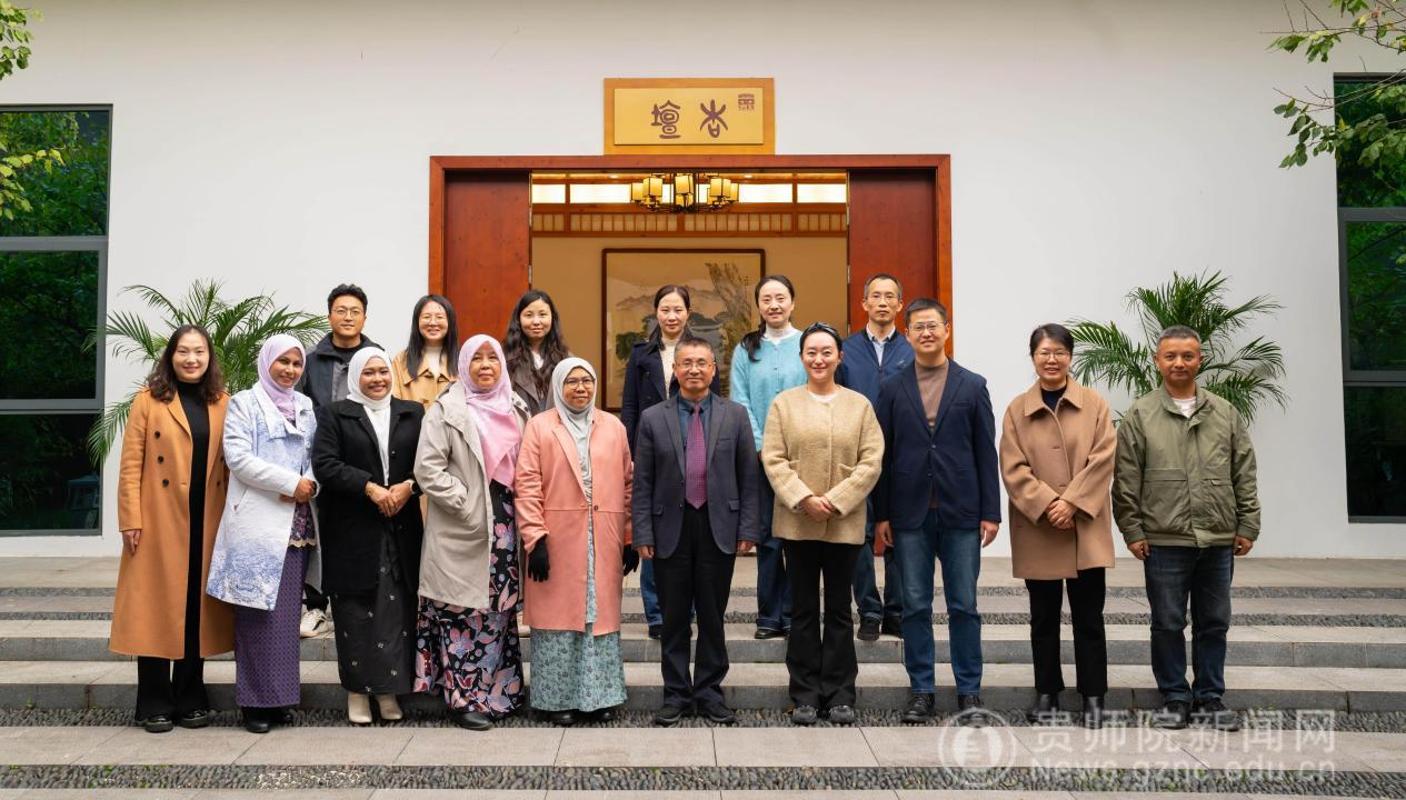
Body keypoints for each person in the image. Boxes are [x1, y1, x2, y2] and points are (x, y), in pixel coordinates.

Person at [1113, 325, 1260, 732]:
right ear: (1158, 361)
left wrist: (1248, 523)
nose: (1179, 363)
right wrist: (1133, 530)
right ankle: (1175, 696)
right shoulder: (1141, 414)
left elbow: (1244, 471)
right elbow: (1125, 479)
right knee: (1167, 622)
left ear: (1200, 360)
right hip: (1163, 539)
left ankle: (1210, 697)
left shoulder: (1224, 413)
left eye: (1188, 356)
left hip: (1217, 537)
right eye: (1171, 356)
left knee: (1214, 621)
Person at [873, 299, 1001, 727]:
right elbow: (884, 454)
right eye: (918, 327)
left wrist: (990, 511)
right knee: (914, 605)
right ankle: (922, 690)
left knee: (964, 605)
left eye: (933, 325)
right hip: (909, 513)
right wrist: (882, 514)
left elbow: (985, 452)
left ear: (947, 329)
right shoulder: (893, 387)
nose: (926, 333)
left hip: (961, 511)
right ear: (907, 334)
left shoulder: (973, 385)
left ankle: (969, 690)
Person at [631, 335, 761, 726]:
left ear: (713, 368)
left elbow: (749, 478)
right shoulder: (653, 418)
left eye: (701, 363)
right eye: (686, 363)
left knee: (712, 616)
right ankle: (675, 694)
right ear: (675, 369)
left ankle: (709, 692)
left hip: (718, 525)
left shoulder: (735, 415)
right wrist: (642, 533)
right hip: (669, 527)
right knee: (672, 619)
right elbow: (643, 482)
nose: (693, 370)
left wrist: (748, 527)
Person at [112, 325, 234, 734]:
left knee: (196, 610)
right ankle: (153, 702)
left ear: (209, 357)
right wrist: (130, 518)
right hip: (158, 519)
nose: (191, 359)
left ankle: (190, 696)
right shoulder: (148, 400)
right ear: (170, 356)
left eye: (199, 351)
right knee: (156, 609)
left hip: (208, 518)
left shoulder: (222, 401)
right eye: (183, 351)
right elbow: (131, 464)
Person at [761, 323, 884, 726]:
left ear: (839, 357)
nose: (819, 359)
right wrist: (803, 498)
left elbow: (871, 461)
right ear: (801, 358)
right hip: (797, 522)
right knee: (801, 611)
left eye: (826, 352)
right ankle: (804, 695)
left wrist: (836, 500)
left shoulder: (859, 406)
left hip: (844, 523)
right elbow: (773, 459)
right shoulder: (784, 404)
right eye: (811, 352)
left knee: (839, 610)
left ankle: (840, 693)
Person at [999, 323, 1116, 729]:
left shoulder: (1094, 404)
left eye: (1059, 352)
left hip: (1084, 527)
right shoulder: (1017, 409)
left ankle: (1094, 696)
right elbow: (1013, 467)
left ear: (1070, 356)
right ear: (1033, 358)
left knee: (1089, 618)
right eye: (1044, 353)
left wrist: (1072, 503)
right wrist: (1050, 504)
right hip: (1040, 529)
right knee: (1043, 618)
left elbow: (1104, 458)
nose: (1052, 360)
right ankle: (1047, 692)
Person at [413, 335, 531, 731]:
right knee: (461, 614)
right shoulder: (446, 410)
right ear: (464, 365)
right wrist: (464, 501)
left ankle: (499, 694)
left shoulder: (516, 407)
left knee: (498, 611)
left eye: (491, 358)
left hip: (506, 525)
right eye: (476, 358)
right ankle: (463, 700)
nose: (485, 365)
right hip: (463, 525)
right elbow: (427, 469)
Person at [206, 334, 321, 734]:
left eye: (296, 363)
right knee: (257, 615)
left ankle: (280, 698)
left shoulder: (304, 405)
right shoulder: (244, 403)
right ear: (266, 362)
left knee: (286, 617)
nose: (290, 370)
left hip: (297, 523)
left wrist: (309, 483)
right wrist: (289, 483)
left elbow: (315, 456)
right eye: (282, 362)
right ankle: (254, 704)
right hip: (258, 524)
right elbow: (238, 458)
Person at [515, 358, 637, 726]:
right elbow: (527, 485)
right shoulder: (539, 426)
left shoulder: (613, 426)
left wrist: (628, 536)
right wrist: (535, 539)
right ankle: (556, 701)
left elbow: (628, 483)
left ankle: (599, 698)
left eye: (587, 380)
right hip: (557, 537)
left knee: (597, 619)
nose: (580, 388)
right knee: (559, 619)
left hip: (602, 536)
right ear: (558, 386)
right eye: (571, 381)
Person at [311, 347, 424, 725]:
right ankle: (357, 693)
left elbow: (430, 461)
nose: (378, 379)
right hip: (353, 529)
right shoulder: (335, 414)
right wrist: (370, 487)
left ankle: (389, 691)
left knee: (396, 610)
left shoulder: (412, 413)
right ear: (356, 376)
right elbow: (325, 464)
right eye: (369, 373)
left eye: (383, 371)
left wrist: (410, 486)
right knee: (355, 611)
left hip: (401, 526)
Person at [620, 284, 722, 640]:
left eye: (678, 309)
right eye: (665, 309)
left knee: (689, 535)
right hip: (653, 448)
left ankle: (686, 611)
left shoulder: (702, 351)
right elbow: (630, 406)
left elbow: (715, 403)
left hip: (694, 448)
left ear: (688, 313)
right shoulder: (641, 354)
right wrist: (631, 452)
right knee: (654, 531)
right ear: (656, 313)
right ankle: (656, 614)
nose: (672, 316)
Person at [297, 283, 379, 639]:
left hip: (364, 459)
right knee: (319, 531)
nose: (348, 317)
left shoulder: (376, 356)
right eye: (341, 311)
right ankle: (316, 606)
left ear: (364, 317)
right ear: (329, 315)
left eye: (355, 311)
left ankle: (361, 602)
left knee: (358, 530)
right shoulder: (311, 360)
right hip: (320, 458)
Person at [837, 273, 913, 642]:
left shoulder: (913, 349)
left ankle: (896, 612)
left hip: (902, 456)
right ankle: (868, 610)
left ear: (900, 304)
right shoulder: (845, 350)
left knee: (900, 532)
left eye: (890, 296)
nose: (882, 302)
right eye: (876, 296)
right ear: (864, 303)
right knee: (860, 535)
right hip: (856, 456)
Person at [729, 275, 806, 641]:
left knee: (798, 538)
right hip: (760, 459)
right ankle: (768, 615)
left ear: (792, 302)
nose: (774, 305)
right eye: (766, 299)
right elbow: (740, 398)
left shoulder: (807, 343)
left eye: (780, 298)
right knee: (768, 537)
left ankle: (794, 614)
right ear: (758, 306)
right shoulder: (746, 348)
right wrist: (761, 445)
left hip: (802, 457)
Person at [503, 290, 571, 416]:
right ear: (518, 319)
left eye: (542, 314)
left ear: (552, 318)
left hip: (556, 426)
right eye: (529, 315)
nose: (536, 321)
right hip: (519, 426)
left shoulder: (567, 360)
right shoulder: (504, 359)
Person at [391, 294, 460, 408]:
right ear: (417, 322)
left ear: (450, 322)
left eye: (439, 317)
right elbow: (394, 406)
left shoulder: (462, 360)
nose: (433, 322)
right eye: (427, 317)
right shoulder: (401, 360)